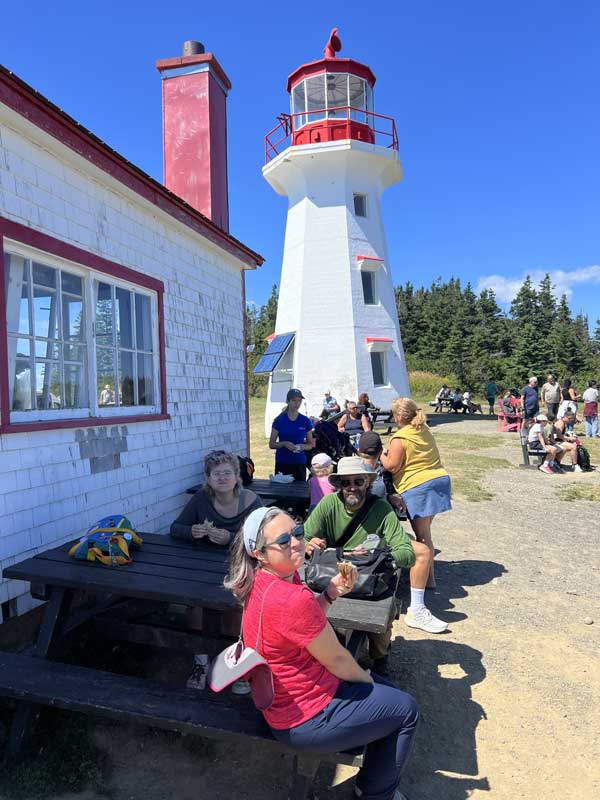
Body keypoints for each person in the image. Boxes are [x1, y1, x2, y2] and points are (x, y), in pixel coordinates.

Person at [225, 507, 419, 800]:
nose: (296, 543)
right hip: (304, 718)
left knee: (388, 693)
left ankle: (370, 772)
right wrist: (365, 680)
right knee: (406, 709)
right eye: (283, 541)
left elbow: (298, 627)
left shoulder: (263, 580)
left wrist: (329, 593)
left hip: (280, 702)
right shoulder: (292, 596)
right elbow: (338, 660)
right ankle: (377, 794)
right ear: (260, 553)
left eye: (298, 533)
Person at [305, 457, 448, 656]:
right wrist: (309, 545)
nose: (352, 487)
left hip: (368, 578)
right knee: (309, 618)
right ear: (339, 485)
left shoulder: (381, 509)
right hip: (331, 576)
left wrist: (380, 559)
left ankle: (379, 662)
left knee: (379, 629)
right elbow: (302, 536)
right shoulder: (329, 503)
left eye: (358, 481)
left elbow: (405, 552)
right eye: (346, 482)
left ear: (368, 482)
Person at [380, 398, 452, 600]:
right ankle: (429, 576)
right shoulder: (424, 429)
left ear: (399, 416)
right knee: (426, 532)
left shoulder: (400, 437)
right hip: (438, 480)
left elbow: (392, 465)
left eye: (394, 414)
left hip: (418, 486)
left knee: (423, 537)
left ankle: (429, 580)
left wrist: (381, 455)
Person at [171, 450, 263, 544]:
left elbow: (263, 539)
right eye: (216, 473)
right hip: (205, 556)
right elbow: (175, 528)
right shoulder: (201, 498)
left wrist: (230, 538)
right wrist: (191, 531)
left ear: (236, 477)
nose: (222, 478)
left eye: (227, 473)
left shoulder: (251, 502)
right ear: (208, 479)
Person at [269, 389, 316, 481]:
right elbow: (271, 444)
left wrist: (302, 446)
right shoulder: (279, 420)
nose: (297, 403)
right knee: (282, 493)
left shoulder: (305, 421)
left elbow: (310, 444)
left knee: (299, 492)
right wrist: (284, 444)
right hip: (283, 462)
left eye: (299, 401)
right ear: (288, 401)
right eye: (294, 400)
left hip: (299, 462)